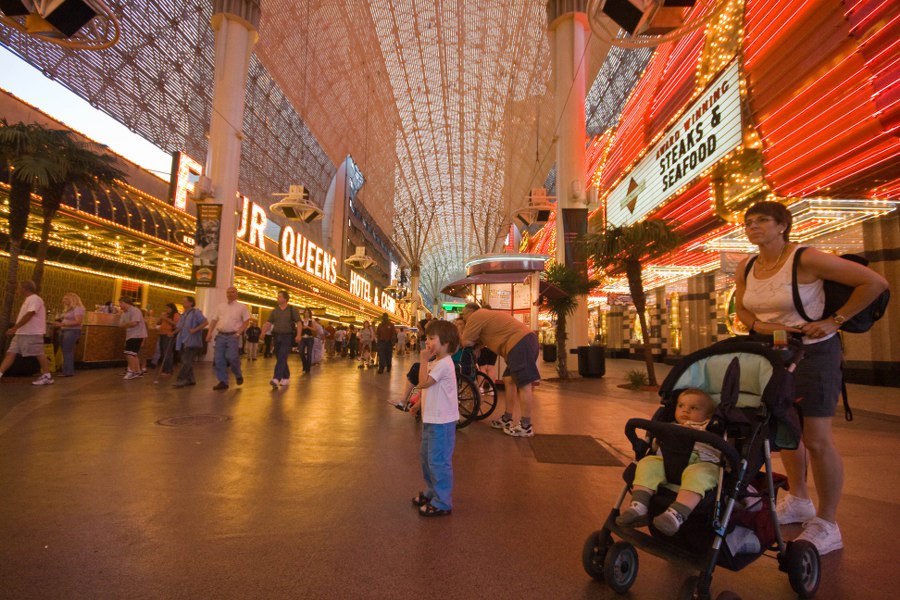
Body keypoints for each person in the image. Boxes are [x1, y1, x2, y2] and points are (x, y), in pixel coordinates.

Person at [735, 200, 888, 556]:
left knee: (816, 438)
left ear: (782, 226)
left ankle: (828, 523)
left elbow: (874, 283)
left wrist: (835, 320)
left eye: (761, 221)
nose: (753, 227)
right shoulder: (747, 265)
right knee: (787, 433)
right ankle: (800, 499)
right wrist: (760, 325)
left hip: (814, 353)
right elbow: (742, 308)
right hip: (773, 352)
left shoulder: (805, 258)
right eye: (748, 222)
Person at [615, 389, 720, 535]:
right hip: (669, 462)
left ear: (708, 415)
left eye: (693, 408)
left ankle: (676, 515)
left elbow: (723, 451)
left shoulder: (711, 428)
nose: (685, 411)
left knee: (701, 474)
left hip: (700, 462)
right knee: (648, 463)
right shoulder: (670, 426)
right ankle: (639, 506)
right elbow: (655, 445)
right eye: (681, 406)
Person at [460, 304, 540, 437]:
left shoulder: (476, 316)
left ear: (470, 311)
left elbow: (466, 341)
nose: (464, 318)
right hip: (521, 342)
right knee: (509, 380)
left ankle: (526, 426)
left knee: (524, 384)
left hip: (519, 343)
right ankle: (507, 418)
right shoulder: (485, 317)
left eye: (464, 314)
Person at [409, 319, 460, 517]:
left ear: (445, 343)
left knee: (438, 461)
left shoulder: (444, 364)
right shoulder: (437, 362)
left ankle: (443, 502)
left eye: (432, 338)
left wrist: (422, 360)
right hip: (431, 419)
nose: (427, 342)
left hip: (442, 422)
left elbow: (423, 383)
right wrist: (419, 405)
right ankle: (432, 491)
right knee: (427, 459)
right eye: (427, 338)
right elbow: (431, 390)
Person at [0, 280, 54, 385]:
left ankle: (47, 376)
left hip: (32, 333)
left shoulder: (35, 299)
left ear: (24, 289)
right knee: (11, 353)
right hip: (21, 333)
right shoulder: (28, 300)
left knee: (39, 353)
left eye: (19, 287)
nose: (18, 290)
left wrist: (14, 328)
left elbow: (30, 314)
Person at [205, 285, 251, 390]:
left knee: (231, 357)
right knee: (218, 359)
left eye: (232, 292)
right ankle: (223, 381)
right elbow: (214, 320)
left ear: (236, 294)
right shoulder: (220, 306)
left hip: (233, 336)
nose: (230, 294)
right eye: (228, 292)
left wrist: (239, 333)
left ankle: (238, 374)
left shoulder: (242, 307)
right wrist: (209, 333)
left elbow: (246, 321)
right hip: (220, 335)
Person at [263, 291, 301, 388]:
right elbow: (268, 323)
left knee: (282, 355)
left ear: (285, 299)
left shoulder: (292, 310)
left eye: (279, 296)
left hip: (287, 336)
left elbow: (299, 323)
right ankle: (286, 376)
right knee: (279, 356)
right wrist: (263, 333)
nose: (277, 298)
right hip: (276, 336)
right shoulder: (274, 311)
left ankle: (276, 378)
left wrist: (298, 335)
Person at [172, 296, 207, 388]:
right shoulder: (183, 314)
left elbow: (205, 322)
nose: (183, 303)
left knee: (186, 362)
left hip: (192, 341)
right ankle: (191, 379)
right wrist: (173, 333)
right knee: (185, 361)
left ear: (191, 303)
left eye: (185, 301)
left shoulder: (196, 313)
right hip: (182, 340)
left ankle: (181, 380)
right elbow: (180, 327)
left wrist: (195, 329)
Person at [54, 292, 85, 377]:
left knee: (68, 351)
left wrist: (62, 324)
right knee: (65, 351)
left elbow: (78, 322)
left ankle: (68, 371)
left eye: (66, 298)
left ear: (72, 299)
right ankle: (66, 370)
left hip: (72, 331)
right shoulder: (68, 309)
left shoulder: (78, 309)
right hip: (65, 330)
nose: (63, 300)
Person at [118, 296, 148, 380]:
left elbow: (134, 323)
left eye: (121, 303)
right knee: (133, 354)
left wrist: (126, 324)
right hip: (130, 335)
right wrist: (128, 323)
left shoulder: (135, 311)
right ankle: (138, 371)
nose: (120, 305)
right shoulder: (124, 313)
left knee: (129, 353)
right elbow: (120, 324)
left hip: (137, 335)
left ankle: (132, 371)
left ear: (125, 302)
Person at [156, 303, 180, 377]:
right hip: (162, 334)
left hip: (169, 334)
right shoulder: (165, 314)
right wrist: (160, 318)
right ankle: (164, 369)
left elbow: (177, 324)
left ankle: (168, 370)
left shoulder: (176, 315)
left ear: (172, 308)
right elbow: (158, 322)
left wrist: (166, 319)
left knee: (167, 353)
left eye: (168, 308)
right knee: (163, 352)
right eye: (166, 308)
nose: (167, 310)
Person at [298, 308, 317, 373]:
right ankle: (305, 364)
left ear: (309, 314)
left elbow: (314, 329)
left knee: (309, 353)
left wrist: (308, 327)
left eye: (308, 312)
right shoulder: (301, 320)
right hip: (302, 338)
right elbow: (298, 328)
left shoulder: (312, 320)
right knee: (301, 352)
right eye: (305, 312)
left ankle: (307, 368)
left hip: (310, 338)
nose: (306, 314)